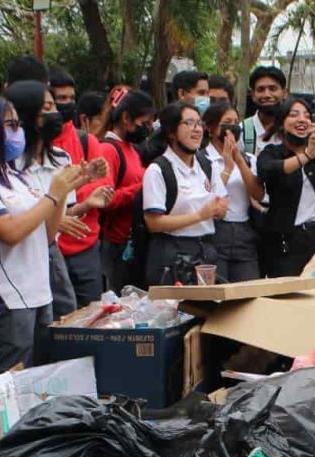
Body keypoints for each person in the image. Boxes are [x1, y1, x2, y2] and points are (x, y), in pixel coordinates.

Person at [0, 95, 91, 374]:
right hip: (4, 298)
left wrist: (64, 191)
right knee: (13, 382)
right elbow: (10, 231)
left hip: (38, 292)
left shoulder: (15, 176)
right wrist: (52, 195)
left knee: (41, 378)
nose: (17, 132)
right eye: (9, 125)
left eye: (18, 125)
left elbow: (47, 235)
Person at [5, 80, 92, 321]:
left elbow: (62, 215)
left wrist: (84, 183)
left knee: (64, 319)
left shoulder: (61, 159)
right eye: (47, 108)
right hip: (17, 259)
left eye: (54, 107)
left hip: (51, 253)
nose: (55, 114)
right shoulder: (7, 165)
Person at [46, 68, 115, 308]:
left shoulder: (87, 141)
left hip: (85, 247)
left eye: (70, 98)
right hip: (49, 249)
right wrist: (78, 204)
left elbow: (104, 191)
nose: (65, 104)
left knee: (91, 319)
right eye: (59, 99)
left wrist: (74, 202)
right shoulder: (36, 144)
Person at [257, 96, 315, 276]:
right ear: (282, 123)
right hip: (286, 242)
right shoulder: (272, 152)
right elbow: (267, 170)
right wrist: (305, 156)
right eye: (294, 115)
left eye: (307, 116)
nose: (302, 119)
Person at [142, 102, 228, 284]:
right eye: (188, 123)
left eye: (199, 124)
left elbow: (222, 200)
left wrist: (220, 209)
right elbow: (154, 222)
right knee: (179, 310)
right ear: (171, 132)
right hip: (173, 254)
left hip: (206, 250)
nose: (196, 130)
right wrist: (199, 215)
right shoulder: (158, 170)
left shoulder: (206, 165)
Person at [99, 89, 155, 291]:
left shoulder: (131, 148)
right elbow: (105, 199)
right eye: (144, 123)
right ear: (126, 118)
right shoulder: (108, 149)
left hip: (134, 241)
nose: (147, 129)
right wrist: (142, 186)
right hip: (118, 245)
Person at [203, 102, 263, 282]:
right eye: (226, 122)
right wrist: (227, 167)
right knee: (218, 293)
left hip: (244, 230)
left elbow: (258, 194)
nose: (232, 128)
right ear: (211, 128)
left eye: (236, 122)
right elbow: (209, 197)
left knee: (249, 291)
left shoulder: (248, 159)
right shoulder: (203, 159)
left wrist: (239, 161)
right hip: (215, 231)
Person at [242, 66, 286, 158]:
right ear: (253, 95)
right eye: (261, 89)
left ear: (284, 93)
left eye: (273, 89)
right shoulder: (242, 132)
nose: (267, 95)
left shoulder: (294, 129)